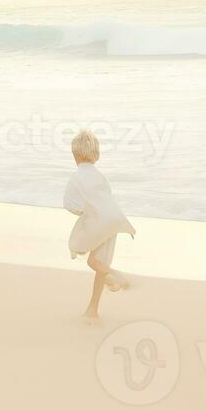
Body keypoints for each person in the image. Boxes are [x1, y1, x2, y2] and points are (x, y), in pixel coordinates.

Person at [64, 129, 136, 321]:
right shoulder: (100, 176)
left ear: (74, 155)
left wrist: (83, 213)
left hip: (98, 220)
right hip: (113, 219)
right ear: (96, 154)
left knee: (90, 260)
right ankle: (92, 310)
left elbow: (70, 204)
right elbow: (106, 200)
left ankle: (117, 276)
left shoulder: (76, 176)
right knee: (100, 262)